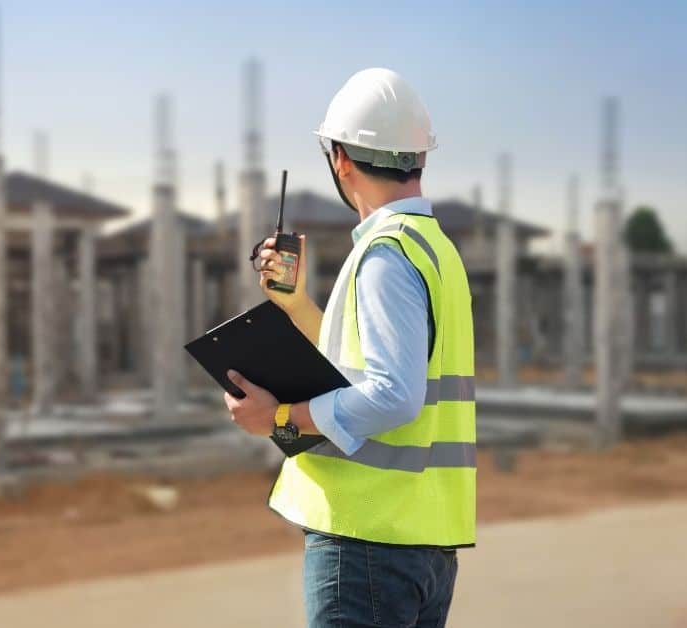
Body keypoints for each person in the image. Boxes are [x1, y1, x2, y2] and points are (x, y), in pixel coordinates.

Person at [222, 68, 476, 628]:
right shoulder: (433, 250)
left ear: (339, 158)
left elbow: (394, 395)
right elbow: (368, 369)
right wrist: (296, 306)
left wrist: (281, 415)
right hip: (419, 540)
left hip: (368, 543)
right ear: (418, 158)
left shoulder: (385, 257)